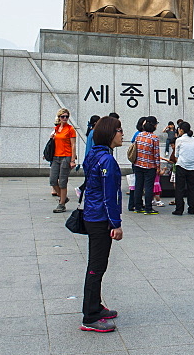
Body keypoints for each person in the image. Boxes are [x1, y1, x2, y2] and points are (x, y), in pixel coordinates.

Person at [79, 116, 124, 333]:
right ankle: (90, 316)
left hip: (91, 215)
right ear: (109, 133)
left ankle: (96, 306)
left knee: (98, 265)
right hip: (99, 219)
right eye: (119, 130)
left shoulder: (93, 155)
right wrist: (116, 224)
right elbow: (109, 196)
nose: (122, 134)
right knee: (96, 267)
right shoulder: (106, 160)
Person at [130, 116, 160, 215]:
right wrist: (158, 167)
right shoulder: (154, 138)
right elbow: (156, 154)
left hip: (138, 164)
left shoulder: (139, 135)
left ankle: (137, 206)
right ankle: (148, 208)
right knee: (148, 187)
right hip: (150, 166)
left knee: (138, 185)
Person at [50, 108, 78, 213]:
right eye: (63, 116)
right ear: (59, 117)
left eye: (66, 116)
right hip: (55, 157)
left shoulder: (70, 129)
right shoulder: (56, 128)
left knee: (62, 181)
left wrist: (72, 160)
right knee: (52, 180)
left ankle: (61, 204)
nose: (65, 118)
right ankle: (63, 197)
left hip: (66, 156)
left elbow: (73, 145)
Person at [168, 121, 194, 215]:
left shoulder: (179, 140)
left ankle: (179, 209)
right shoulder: (193, 139)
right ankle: (192, 208)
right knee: (192, 188)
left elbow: (176, 154)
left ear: (181, 130)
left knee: (179, 188)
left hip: (181, 165)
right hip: (192, 166)